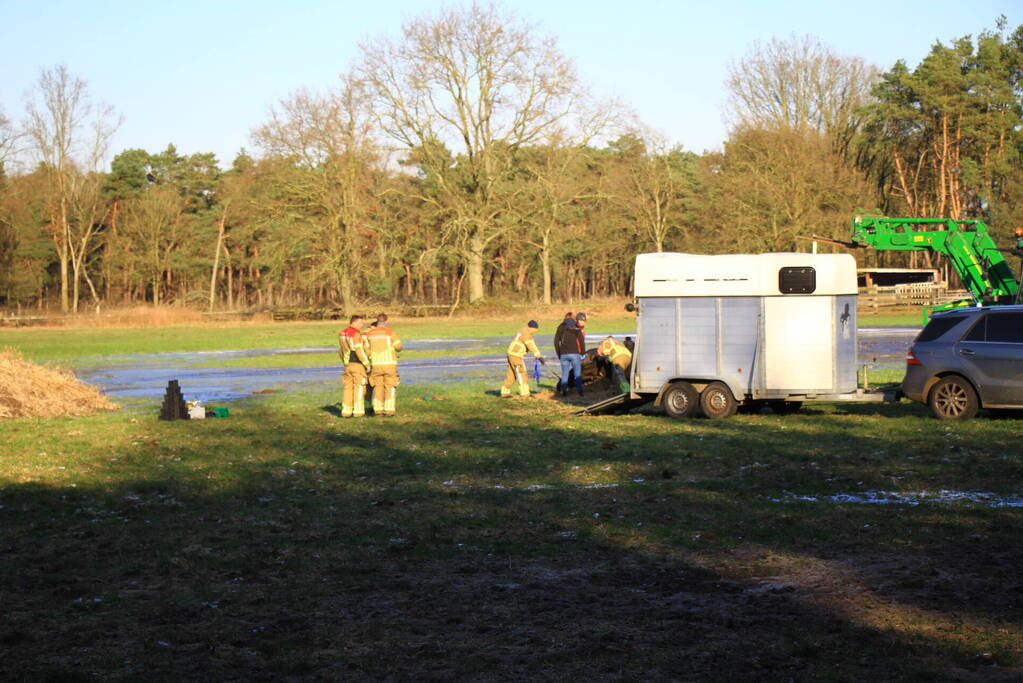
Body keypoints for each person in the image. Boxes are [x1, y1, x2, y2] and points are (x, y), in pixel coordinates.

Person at [364, 313, 403, 417]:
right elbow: (398, 346)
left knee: (377, 387)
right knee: (390, 386)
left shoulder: (370, 333)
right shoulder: (390, 332)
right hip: (389, 363)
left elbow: (366, 349)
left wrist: (371, 357)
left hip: (376, 364)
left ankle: (378, 410)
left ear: (377, 321)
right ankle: (389, 411)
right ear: (386, 321)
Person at [337, 314, 371, 418]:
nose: (362, 325)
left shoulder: (342, 333)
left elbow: (341, 350)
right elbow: (358, 350)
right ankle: (358, 412)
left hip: (347, 365)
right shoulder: (355, 334)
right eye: (360, 323)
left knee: (347, 389)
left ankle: (346, 412)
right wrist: (367, 364)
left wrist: (345, 362)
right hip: (357, 365)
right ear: (354, 322)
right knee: (359, 388)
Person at [501, 320, 544, 398]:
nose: (534, 332)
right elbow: (531, 345)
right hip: (516, 355)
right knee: (522, 373)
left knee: (512, 374)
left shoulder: (522, 330)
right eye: (534, 330)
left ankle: (505, 392)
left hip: (511, 353)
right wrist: (539, 356)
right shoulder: (526, 334)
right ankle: (525, 393)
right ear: (530, 327)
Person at [555, 314, 586, 397]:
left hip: (563, 354)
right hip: (575, 354)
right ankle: (580, 391)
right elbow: (581, 341)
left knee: (565, 374)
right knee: (577, 374)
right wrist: (583, 353)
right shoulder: (576, 328)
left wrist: (559, 353)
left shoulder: (560, 328)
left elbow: (556, 342)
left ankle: (564, 391)